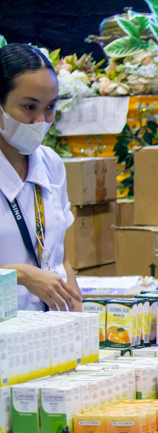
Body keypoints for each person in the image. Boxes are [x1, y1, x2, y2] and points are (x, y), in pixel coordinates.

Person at [0, 44, 82, 312]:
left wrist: (77, 323)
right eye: (28, 106)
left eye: (50, 107)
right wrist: (21, 275)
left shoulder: (51, 163)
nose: (40, 121)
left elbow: (59, 258)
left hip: (48, 336)